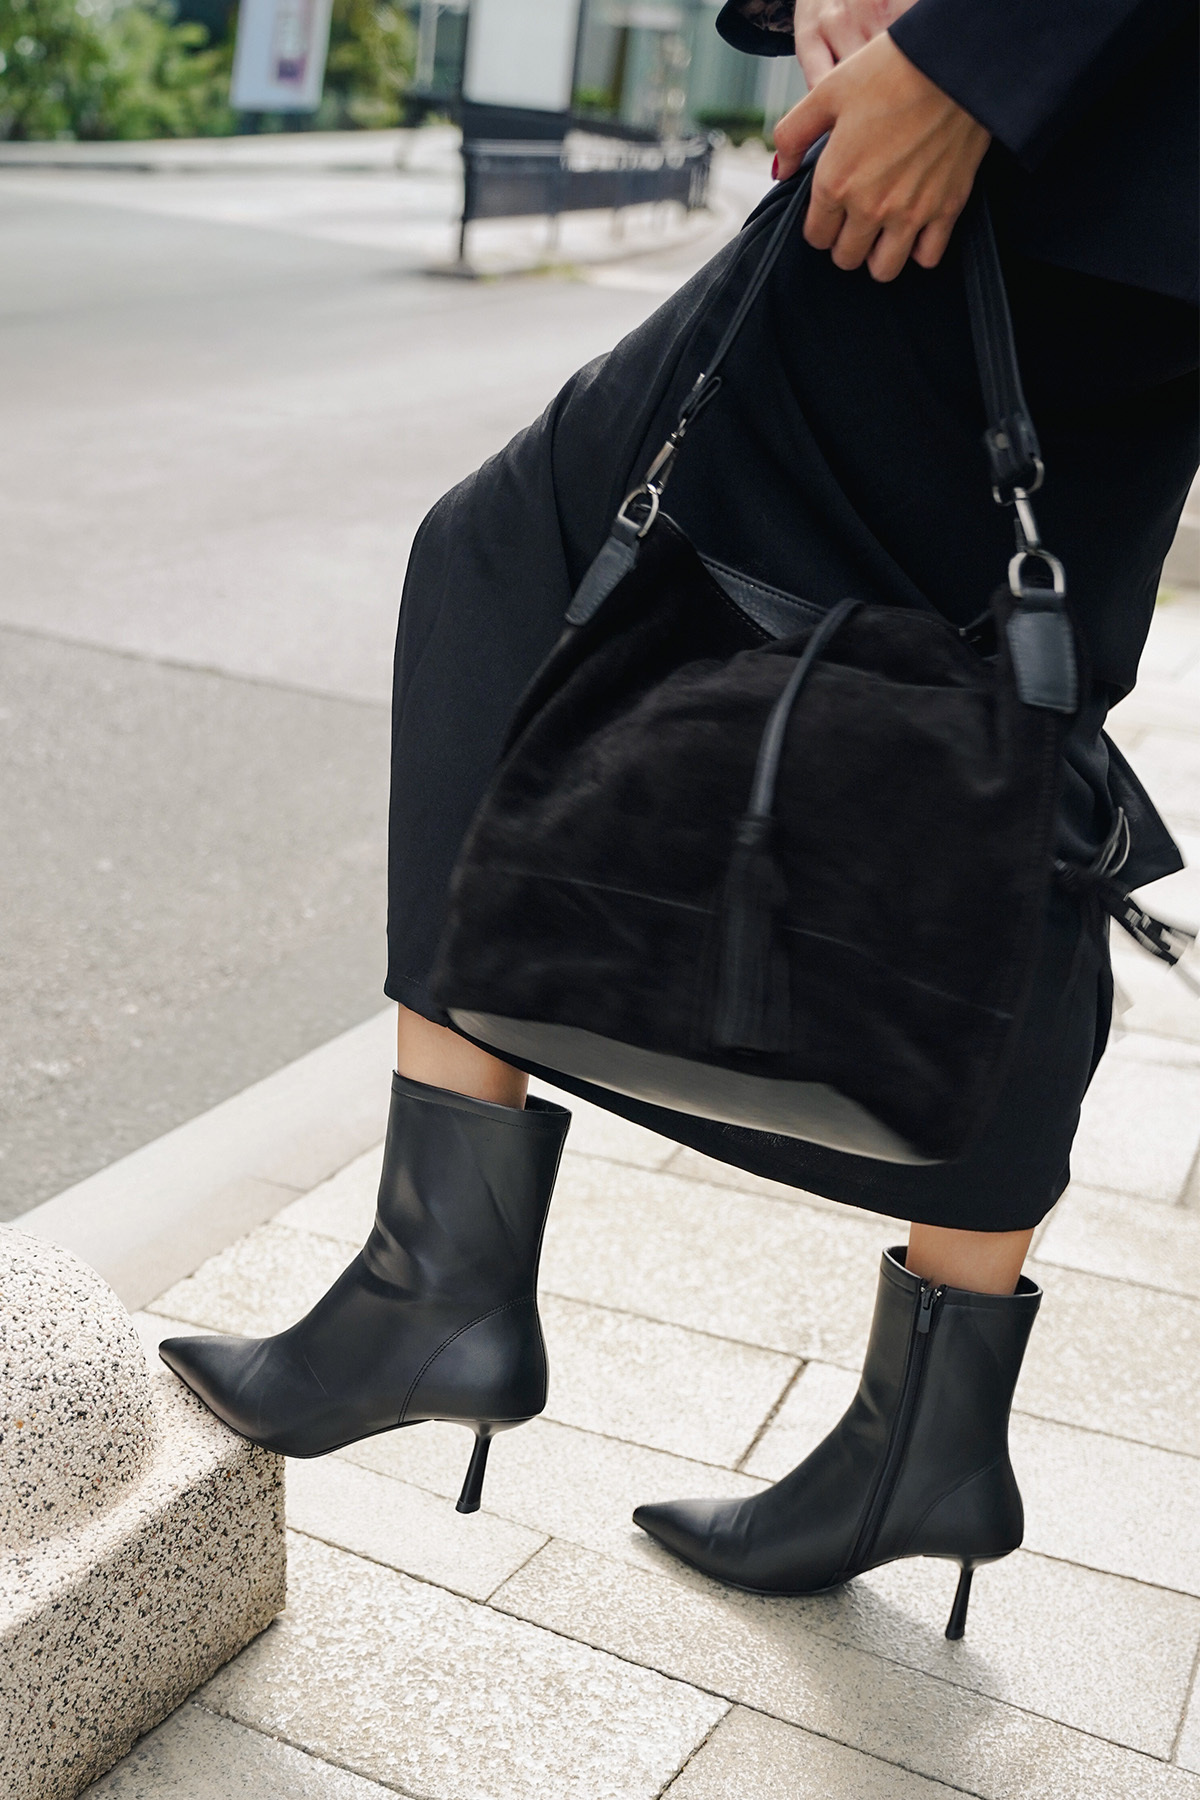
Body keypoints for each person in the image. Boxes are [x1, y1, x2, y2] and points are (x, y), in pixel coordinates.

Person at [161, 0, 1199, 1636]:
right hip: (1138, 180)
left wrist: (974, 66)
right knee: (1012, 737)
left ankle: (437, 1283)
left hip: (1051, 137)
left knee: (511, 553)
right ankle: (928, 1435)